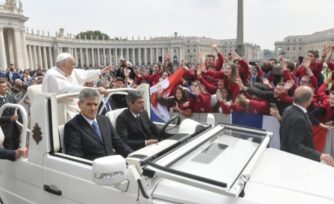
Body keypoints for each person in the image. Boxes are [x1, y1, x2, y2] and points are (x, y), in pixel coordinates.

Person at [64, 88, 133, 160]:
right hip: (93, 169)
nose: (93, 108)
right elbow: (76, 157)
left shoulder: (104, 120)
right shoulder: (72, 127)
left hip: (113, 164)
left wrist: (133, 155)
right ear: (79, 105)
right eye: (89, 104)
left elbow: (119, 144)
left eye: (95, 104)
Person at [42, 52, 113, 119]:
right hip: (61, 111)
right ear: (63, 65)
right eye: (72, 64)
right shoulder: (52, 75)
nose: (74, 67)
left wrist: (100, 72)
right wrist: (95, 90)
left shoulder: (68, 70)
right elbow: (70, 89)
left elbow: (85, 74)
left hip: (74, 108)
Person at [280, 86, 334, 166]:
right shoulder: (299, 118)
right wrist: (320, 155)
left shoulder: (288, 109)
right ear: (309, 101)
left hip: (287, 156)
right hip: (296, 161)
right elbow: (295, 145)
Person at [0, 80, 20, 150]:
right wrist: (9, 118)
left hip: (15, 129)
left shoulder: (11, 97)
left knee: (17, 148)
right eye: (4, 87)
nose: (6, 88)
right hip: (4, 130)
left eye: (7, 86)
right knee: (9, 151)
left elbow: (17, 111)